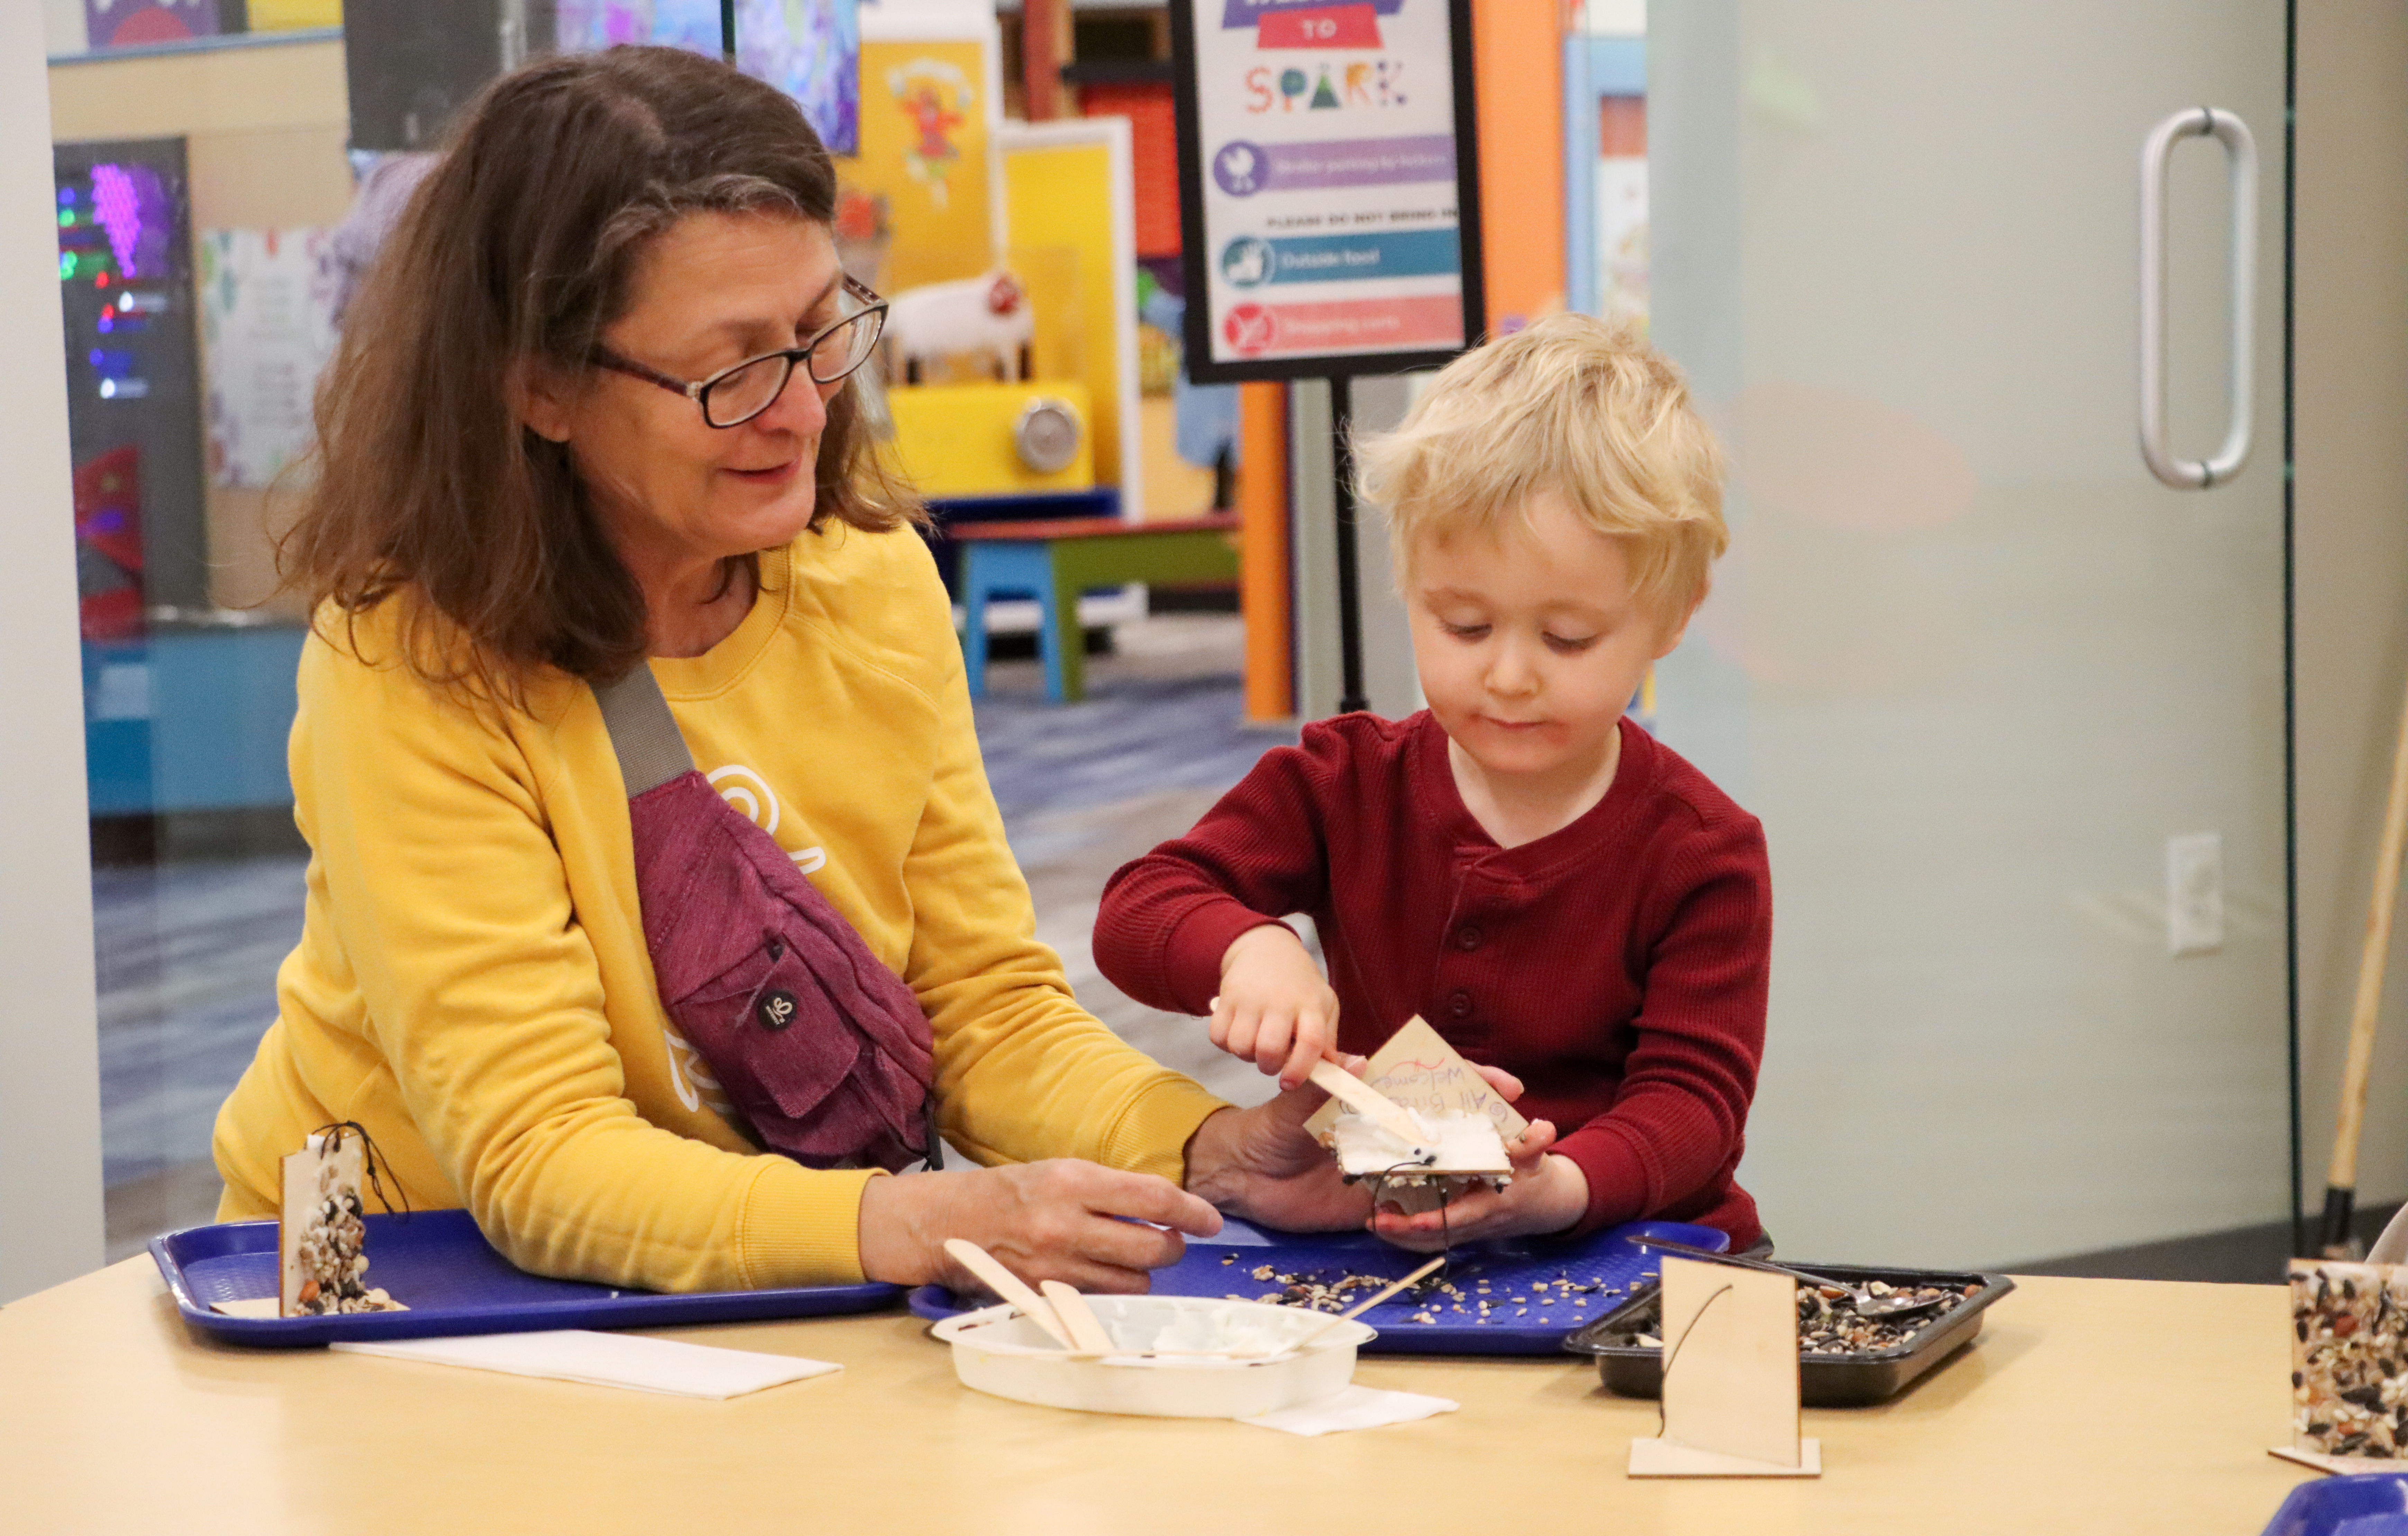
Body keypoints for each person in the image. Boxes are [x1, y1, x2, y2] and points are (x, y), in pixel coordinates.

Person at [210, 45, 1354, 1296]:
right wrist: (919, 1224)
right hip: (406, 1287)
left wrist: (1209, 1146)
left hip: (734, 1281)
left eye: (822, 330)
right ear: (540, 385)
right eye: (734, 365)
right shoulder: (412, 666)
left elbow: (980, 1004)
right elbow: (541, 1158)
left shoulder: (872, 580)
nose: (806, 409)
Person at [1092, 315, 1771, 1251]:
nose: (1509, 676)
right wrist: (1250, 950)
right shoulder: (1344, 781)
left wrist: (1559, 1188)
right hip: (1387, 1239)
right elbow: (1140, 908)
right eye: (1464, 626)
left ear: (1672, 616)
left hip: (1643, 1254)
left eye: (1567, 639)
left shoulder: (1702, 848)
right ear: (1410, 585)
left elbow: (1694, 1106)